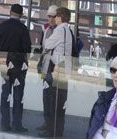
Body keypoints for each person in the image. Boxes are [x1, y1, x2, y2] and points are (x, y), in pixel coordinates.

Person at [0, 3, 32, 133]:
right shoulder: (23, 29)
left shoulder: (1, 27)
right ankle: (17, 124)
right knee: (18, 95)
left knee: (5, 93)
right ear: (21, 15)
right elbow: (27, 48)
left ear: (10, 12)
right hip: (19, 65)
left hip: (4, 64)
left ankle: (5, 124)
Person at [38, 7, 73, 137]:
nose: (52, 19)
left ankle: (52, 130)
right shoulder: (65, 30)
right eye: (49, 16)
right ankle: (54, 129)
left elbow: (46, 45)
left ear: (59, 17)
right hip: (55, 69)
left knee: (53, 100)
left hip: (56, 70)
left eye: (54, 16)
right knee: (54, 100)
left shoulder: (59, 30)